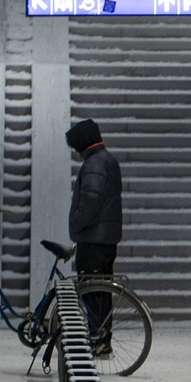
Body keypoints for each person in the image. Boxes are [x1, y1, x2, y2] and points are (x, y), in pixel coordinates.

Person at [65, 118, 123, 348]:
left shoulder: (95, 164)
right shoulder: (106, 160)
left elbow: (91, 199)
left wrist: (77, 224)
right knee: (101, 292)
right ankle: (102, 338)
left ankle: (98, 338)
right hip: (106, 239)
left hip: (93, 239)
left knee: (92, 293)